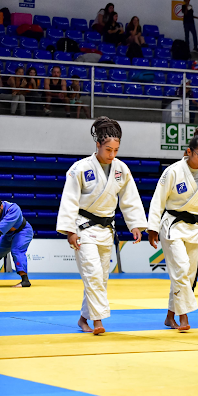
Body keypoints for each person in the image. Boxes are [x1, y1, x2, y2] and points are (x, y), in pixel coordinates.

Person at [56, 117, 147, 334]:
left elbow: (130, 199)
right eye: (108, 149)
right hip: (83, 228)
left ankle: (83, 319)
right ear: (97, 145)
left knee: (100, 279)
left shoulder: (121, 169)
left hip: (107, 230)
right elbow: (69, 200)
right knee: (93, 274)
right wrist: (70, 231)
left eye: (116, 149)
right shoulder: (79, 168)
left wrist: (135, 225)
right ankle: (98, 322)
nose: (112, 154)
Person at [147, 127, 198, 331]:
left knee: (188, 275)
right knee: (182, 269)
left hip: (194, 228)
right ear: (189, 151)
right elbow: (158, 199)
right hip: (172, 226)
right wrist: (152, 227)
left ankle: (169, 316)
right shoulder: (173, 171)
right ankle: (184, 317)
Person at [0, 197, 34, 287]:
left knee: (17, 250)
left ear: (1, 206)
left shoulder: (13, 209)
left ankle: (25, 281)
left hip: (23, 232)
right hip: (8, 234)